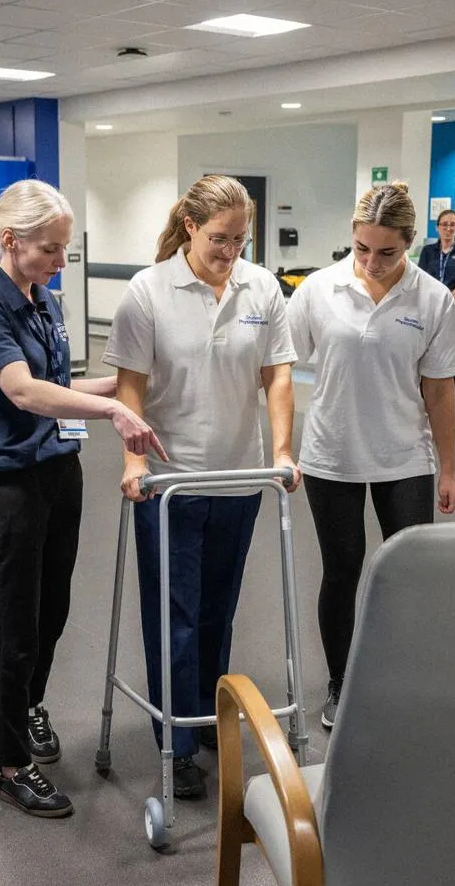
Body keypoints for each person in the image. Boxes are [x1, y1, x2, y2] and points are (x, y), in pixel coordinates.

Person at [0, 179, 163, 818]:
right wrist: (111, 410)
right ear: (11, 242)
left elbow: (58, 381)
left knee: (50, 614)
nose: (60, 261)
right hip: (5, 488)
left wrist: (131, 383)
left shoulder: (41, 298)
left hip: (56, 476)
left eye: (66, 249)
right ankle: (10, 764)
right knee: (11, 628)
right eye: (50, 249)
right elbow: (24, 391)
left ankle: (28, 707)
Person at [104, 174, 299, 800]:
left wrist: (284, 451)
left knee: (219, 608)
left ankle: (209, 712)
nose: (230, 251)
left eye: (241, 239)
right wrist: (135, 461)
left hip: (239, 477)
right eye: (219, 238)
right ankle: (176, 740)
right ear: (190, 226)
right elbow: (130, 385)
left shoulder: (261, 286)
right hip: (170, 480)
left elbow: (277, 376)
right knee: (176, 615)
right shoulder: (149, 290)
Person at [290, 182, 455, 729]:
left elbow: (440, 390)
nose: (371, 262)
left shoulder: (433, 298)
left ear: (410, 243)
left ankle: (400, 677)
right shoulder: (318, 290)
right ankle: (342, 682)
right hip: (332, 453)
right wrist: (277, 446)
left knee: (407, 572)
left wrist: (450, 468)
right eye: (362, 248)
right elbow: (277, 369)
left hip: (404, 457)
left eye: (387, 252)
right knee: (341, 570)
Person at [415, 208, 455, 398]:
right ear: (437, 227)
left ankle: (451, 419)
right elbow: (422, 280)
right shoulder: (427, 251)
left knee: (451, 364)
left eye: (452, 225)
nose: (448, 228)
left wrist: (445, 303)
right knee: (426, 361)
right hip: (428, 311)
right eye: (444, 224)